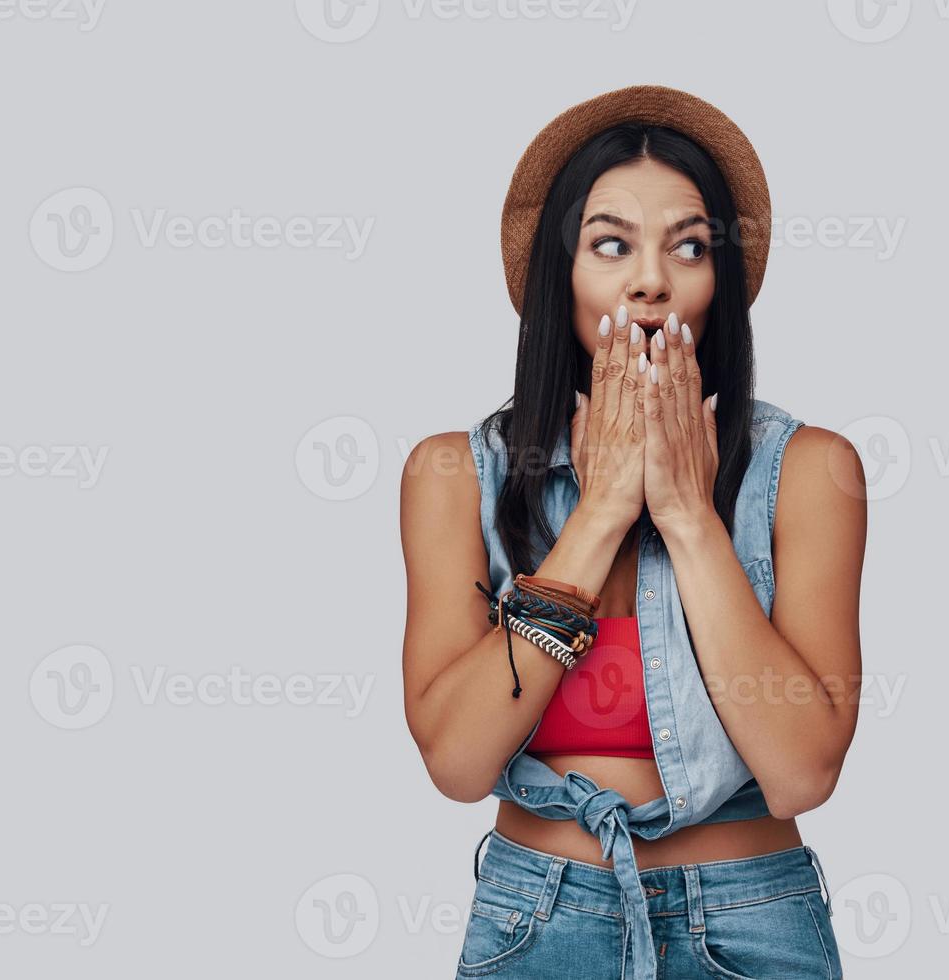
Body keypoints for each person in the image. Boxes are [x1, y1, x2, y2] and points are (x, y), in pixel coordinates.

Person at [401, 84, 865, 979]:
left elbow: (803, 773)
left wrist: (688, 515)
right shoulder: (450, 473)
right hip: (532, 921)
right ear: (556, 275)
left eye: (688, 246)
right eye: (610, 244)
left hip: (752, 920)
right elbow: (457, 762)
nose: (650, 279)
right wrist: (604, 508)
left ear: (719, 278)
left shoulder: (809, 470)